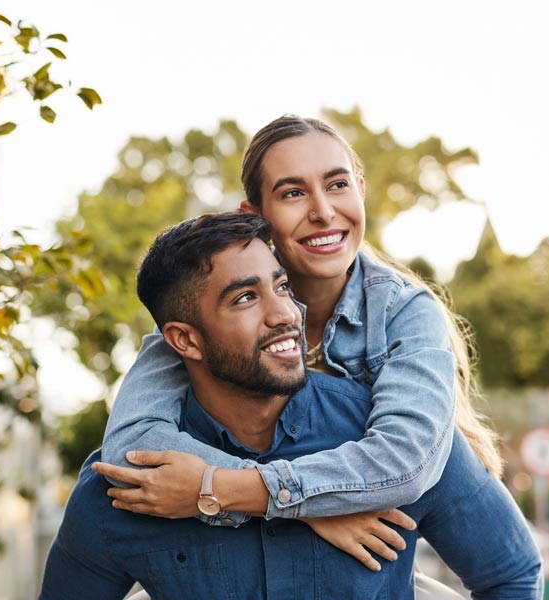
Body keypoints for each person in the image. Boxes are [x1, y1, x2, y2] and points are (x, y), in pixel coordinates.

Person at [41, 213, 542, 599]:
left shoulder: (394, 437)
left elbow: (512, 575)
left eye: (281, 286)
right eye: (244, 298)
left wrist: (224, 490)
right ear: (184, 341)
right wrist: (306, 510)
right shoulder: (128, 489)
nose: (284, 313)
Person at [100, 115, 500, 529]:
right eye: (292, 193)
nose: (324, 212)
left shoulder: (404, 312)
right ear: (256, 214)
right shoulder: (207, 311)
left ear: (361, 191)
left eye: (337, 184)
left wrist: (224, 490)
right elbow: (130, 448)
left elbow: (403, 461)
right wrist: (308, 512)